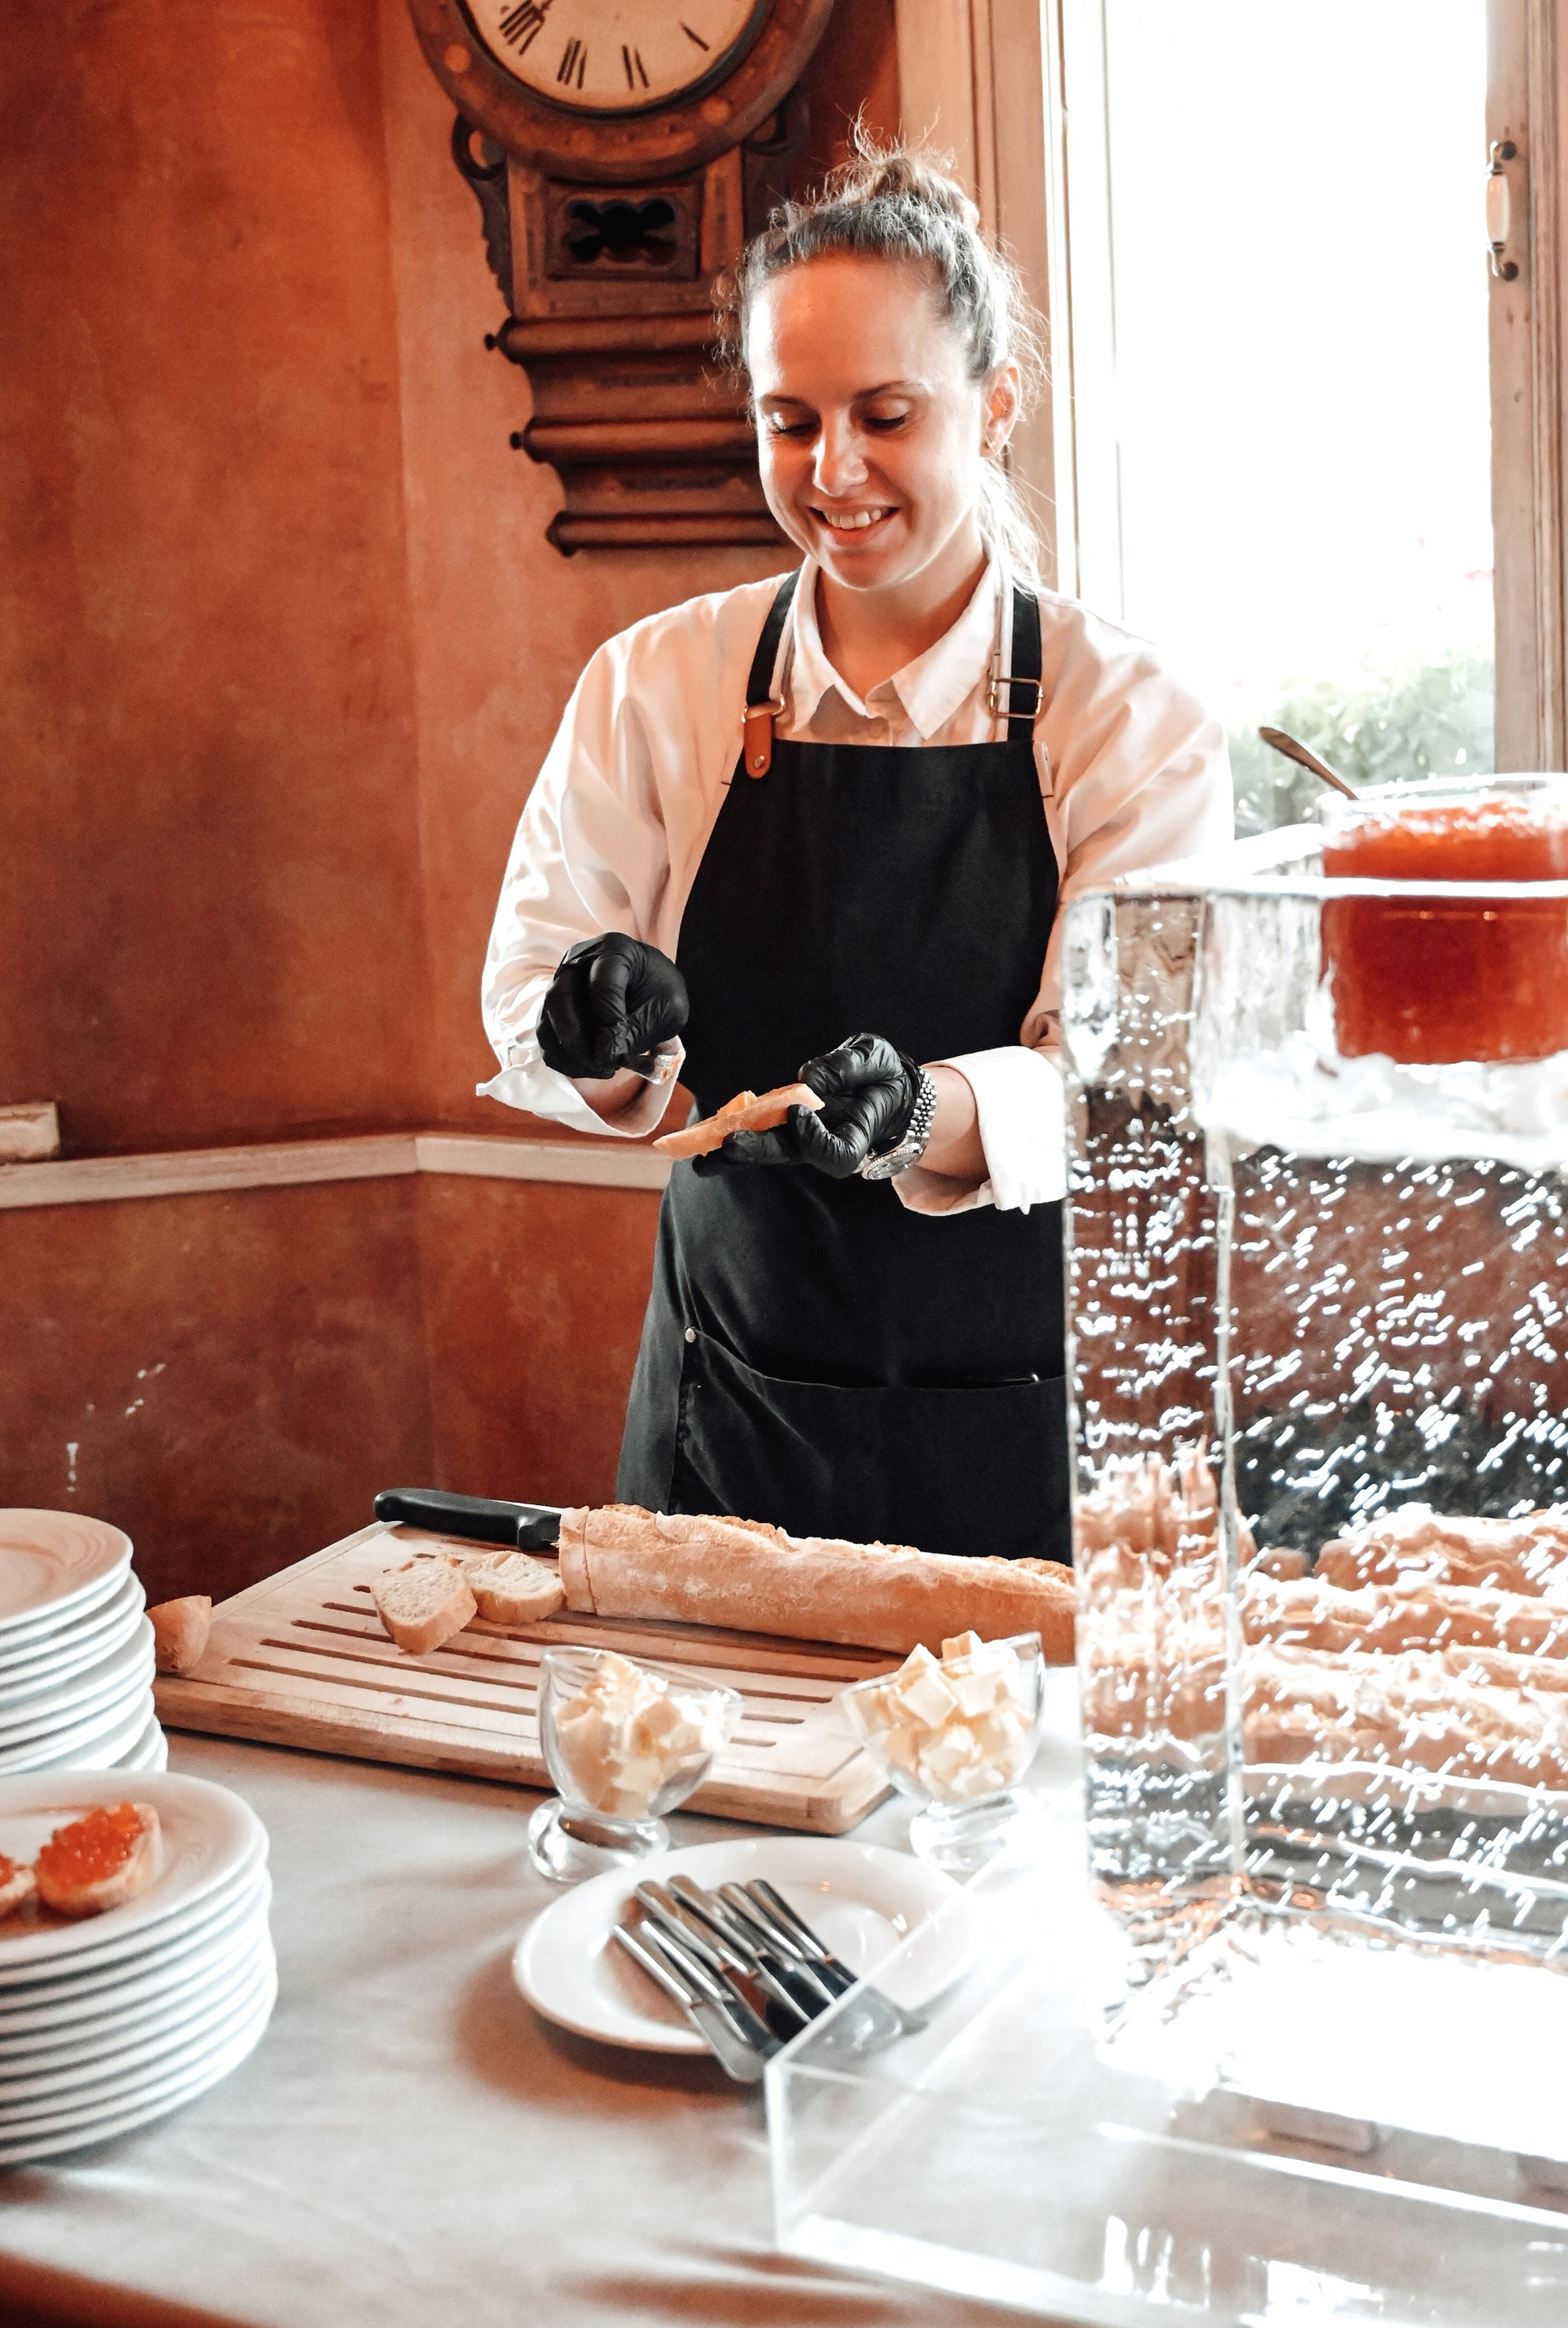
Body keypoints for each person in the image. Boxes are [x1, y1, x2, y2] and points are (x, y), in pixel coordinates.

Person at [479, 139, 1229, 1562]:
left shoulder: (1125, 713)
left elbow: (1134, 1091)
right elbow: (525, 987)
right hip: (731, 1422)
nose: (834, 473)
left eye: (887, 415)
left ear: (994, 405)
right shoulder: (658, 686)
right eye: (788, 420)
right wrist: (591, 1031)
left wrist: (924, 1112)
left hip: (1029, 1435)